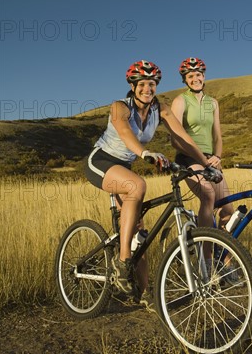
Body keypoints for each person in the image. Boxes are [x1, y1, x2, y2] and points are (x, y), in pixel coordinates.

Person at [84, 60, 220, 302]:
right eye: (143, 84)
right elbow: (125, 134)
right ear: (133, 86)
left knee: (140, 232)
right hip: (101, 161)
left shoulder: (161, 109)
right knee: (138, 185)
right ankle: (123, 260)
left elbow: (184, 137)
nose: (147, 89)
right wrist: (144, 153)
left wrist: (205, 164)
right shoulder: (120, 107)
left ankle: (143, 294)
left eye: (152, 84)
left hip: (122, 167)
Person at [171, 57, 234, 235]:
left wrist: (218, 157)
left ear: (204, 76)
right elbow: (175, 139)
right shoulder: (180, 101)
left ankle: (225, 260)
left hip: (209, 159)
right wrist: (202, 159)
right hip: (188, 157)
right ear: (185, 79)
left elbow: (217, 136)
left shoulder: (212, 103)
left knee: (228, 209)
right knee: (208, 196)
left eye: (198, 75)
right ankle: (205, 260)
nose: (195, 79)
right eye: (190, 76)